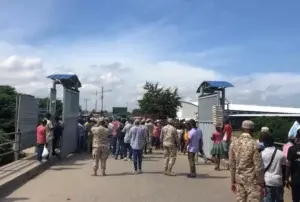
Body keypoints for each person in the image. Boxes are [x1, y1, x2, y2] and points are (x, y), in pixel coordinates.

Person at [229, 120, 266, 202]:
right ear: (252, 130)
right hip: (252, 181)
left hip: (239, 179)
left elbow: (232, 164)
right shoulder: (255, 144)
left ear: (242, 129)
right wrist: (261, 182)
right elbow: (258, 166)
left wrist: (232, 181)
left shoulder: (233, 143)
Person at [262, 135, 286, 202]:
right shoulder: (281, 154)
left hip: (267, 181)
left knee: (268, 200)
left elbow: (260, 170)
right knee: (279, 200)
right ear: (273, 142)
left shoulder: (262, 154)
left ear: (264, 143)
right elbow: (284, 168)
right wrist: (283, 181)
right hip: (278, 181)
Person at [286, 129, 300, 202]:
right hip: (295, 180)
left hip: (296, 180)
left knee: (296, 199)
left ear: (297, 137)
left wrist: (286, 178)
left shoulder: (292, 149)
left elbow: (288, 165)